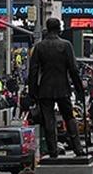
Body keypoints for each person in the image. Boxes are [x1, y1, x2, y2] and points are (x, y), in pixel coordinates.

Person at [28, 18, 85, 158]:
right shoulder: (66, 45)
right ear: (59, 28)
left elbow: (33, 72)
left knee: (49, 120)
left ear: (47, 28)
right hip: (62, 88)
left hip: (45, 89)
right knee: (69, 117)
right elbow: (73, 69)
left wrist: (33, 91)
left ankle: (52, 151)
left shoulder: (39, 47)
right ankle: (78, 148)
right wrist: (79, 89)